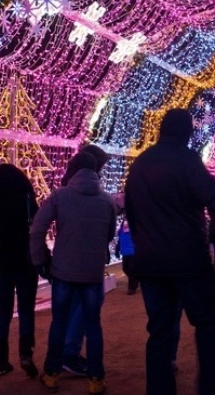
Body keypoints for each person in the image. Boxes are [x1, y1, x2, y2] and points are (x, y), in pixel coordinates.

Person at [124, 108, 215, 395]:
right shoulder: (185, 160)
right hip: (187, 259)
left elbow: (131, 215)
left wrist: (132, 255)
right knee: (206, 324)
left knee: (160, 331)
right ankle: (209, 387)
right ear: (187, 132)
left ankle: (159, 389)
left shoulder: (141, 163)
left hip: (150, 262)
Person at [31, 151, 117, 394]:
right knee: (93, 325)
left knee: (59, 322)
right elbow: (108, 235)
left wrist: (41, 260)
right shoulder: (107, 200)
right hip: (92, 272)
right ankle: (96, 379)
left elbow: (38, 229)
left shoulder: (60, 195)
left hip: (63, 270)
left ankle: (51, 375)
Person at [0, 163, 40, 377]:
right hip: (25, 261)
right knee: (26, 310)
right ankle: (26, 354)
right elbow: (38, 225)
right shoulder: (26, 202)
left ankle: (1, 362)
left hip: (2, 263)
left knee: (4, 312)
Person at [58, 144, 111, 377]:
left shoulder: (65, 189)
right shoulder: (92, 190)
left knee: (71, 306)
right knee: (86, 306)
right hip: (87, 256)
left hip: (66, 256)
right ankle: (69, 353)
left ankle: (64, 353)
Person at [117, 216, 139, 294]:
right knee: (125, 268)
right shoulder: (122, 228)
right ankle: (136, 278)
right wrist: (118, 248)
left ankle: (132, 287)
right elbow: (120, 238)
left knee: (131, 269)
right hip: (125, 251)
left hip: (133, 251)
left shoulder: (134, 227)